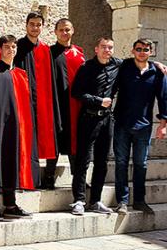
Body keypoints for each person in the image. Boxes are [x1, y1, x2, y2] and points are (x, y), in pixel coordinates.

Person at [113, 38, 167, 215]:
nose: (142, 52)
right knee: (121, 163)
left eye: (145, 49)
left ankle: (139, 201)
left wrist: (163, 125)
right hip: (122, 124)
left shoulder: (157, 73)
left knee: (141, 164)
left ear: (150, 52)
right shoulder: (123, 67)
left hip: (143, 126)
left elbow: (163, 99)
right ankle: (122, 201)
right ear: (132, 51)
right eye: (138, 49)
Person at [70, 36, 120, 216]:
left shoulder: (117, 65)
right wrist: (99, 101)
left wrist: (157, 65)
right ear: (96, 49)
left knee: (102, 162)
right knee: (83, 161)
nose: (107, 50)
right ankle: (79, 200)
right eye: (104, 47)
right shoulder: (86, 68)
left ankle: (96, 201)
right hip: (88, 119)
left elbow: (137, 63)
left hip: (107, 121)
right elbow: (76, 92)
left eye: (110, 48)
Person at [0, 35, 34, 220]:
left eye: (13, 47)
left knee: (12, 164)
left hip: (17, 128)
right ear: (0, 49)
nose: (10, 50)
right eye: (6, 47)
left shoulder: (21, 74)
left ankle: (10, 204)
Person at [15, 11, 61, 187]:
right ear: (26, 25)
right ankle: (25, 179)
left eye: (38, 25)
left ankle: (47, 178)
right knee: (26, 139)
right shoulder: (18, 47)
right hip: (25, 100)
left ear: (43, 27)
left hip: (44, 101)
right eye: (32, 24)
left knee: (47, 136)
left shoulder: (45, 50)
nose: (35, 28)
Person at [43, 18, 85, 189]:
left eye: (67, 29)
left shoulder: (80, 54)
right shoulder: (48, 53)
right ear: (55, 32)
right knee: (54, 139)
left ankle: (78, 180)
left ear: (72, 30)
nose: (64, 33)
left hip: (75, 104)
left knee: (75, 140)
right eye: (61, 30)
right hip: (55, 103)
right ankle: (48, 177)